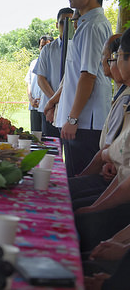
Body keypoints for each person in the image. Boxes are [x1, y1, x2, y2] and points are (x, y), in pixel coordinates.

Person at [44, 0, 113, 178]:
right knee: (72, 176)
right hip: (77, 120)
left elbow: (88, 76)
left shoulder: (93, 26)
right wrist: (54, 101)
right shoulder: (84, 24)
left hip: (85, 123)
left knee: (80, 180)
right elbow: (73, 72)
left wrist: (73, 120)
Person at [73, 28, 130, 252]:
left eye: (116, 57)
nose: (111, 63)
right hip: (118, 184)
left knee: (77, 216)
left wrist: (119, 248)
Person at [34, 7, 74, 137]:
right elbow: (41, 79)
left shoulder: (79, 48)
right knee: (50, 152)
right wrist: (56, 101)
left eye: (71, 21)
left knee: (71, 153)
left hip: (72, 110)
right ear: (57, 25)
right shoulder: (48, 50)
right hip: (50, 110)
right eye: (63, 22)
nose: (67, 25)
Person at [26, 35, 52, 132]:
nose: (43, 49)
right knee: (35, 136)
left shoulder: (54, 63)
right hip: (34, 106)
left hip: (47, 106)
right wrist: (31, 99)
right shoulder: (33, 63)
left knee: (47, 137)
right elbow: (28, 82)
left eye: (47, 46)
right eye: (42, 46)